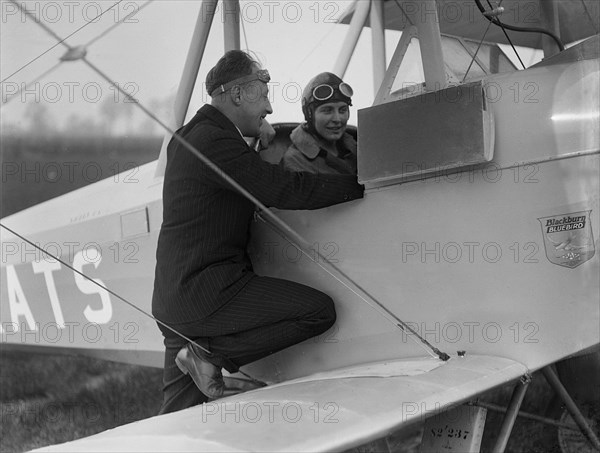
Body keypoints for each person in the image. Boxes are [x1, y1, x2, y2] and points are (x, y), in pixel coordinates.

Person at [151, 50, 364, 414]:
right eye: (263, 94)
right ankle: (208, 354)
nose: (268, 109)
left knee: (176, 420)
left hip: (176, 300)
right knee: (318, 311)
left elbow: (228, 176)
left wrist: (250, 136)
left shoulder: (193, 135)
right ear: (237, 95)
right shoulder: (216, 142)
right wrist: (360, 185)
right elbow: (282, 189)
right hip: (208, 292)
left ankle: (198, 355)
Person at [282, 72, 357, 175]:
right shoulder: (296, 160)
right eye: (327, 110)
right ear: (309, 114)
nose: (337, 119)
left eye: (342, 110)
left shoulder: (356, 148)